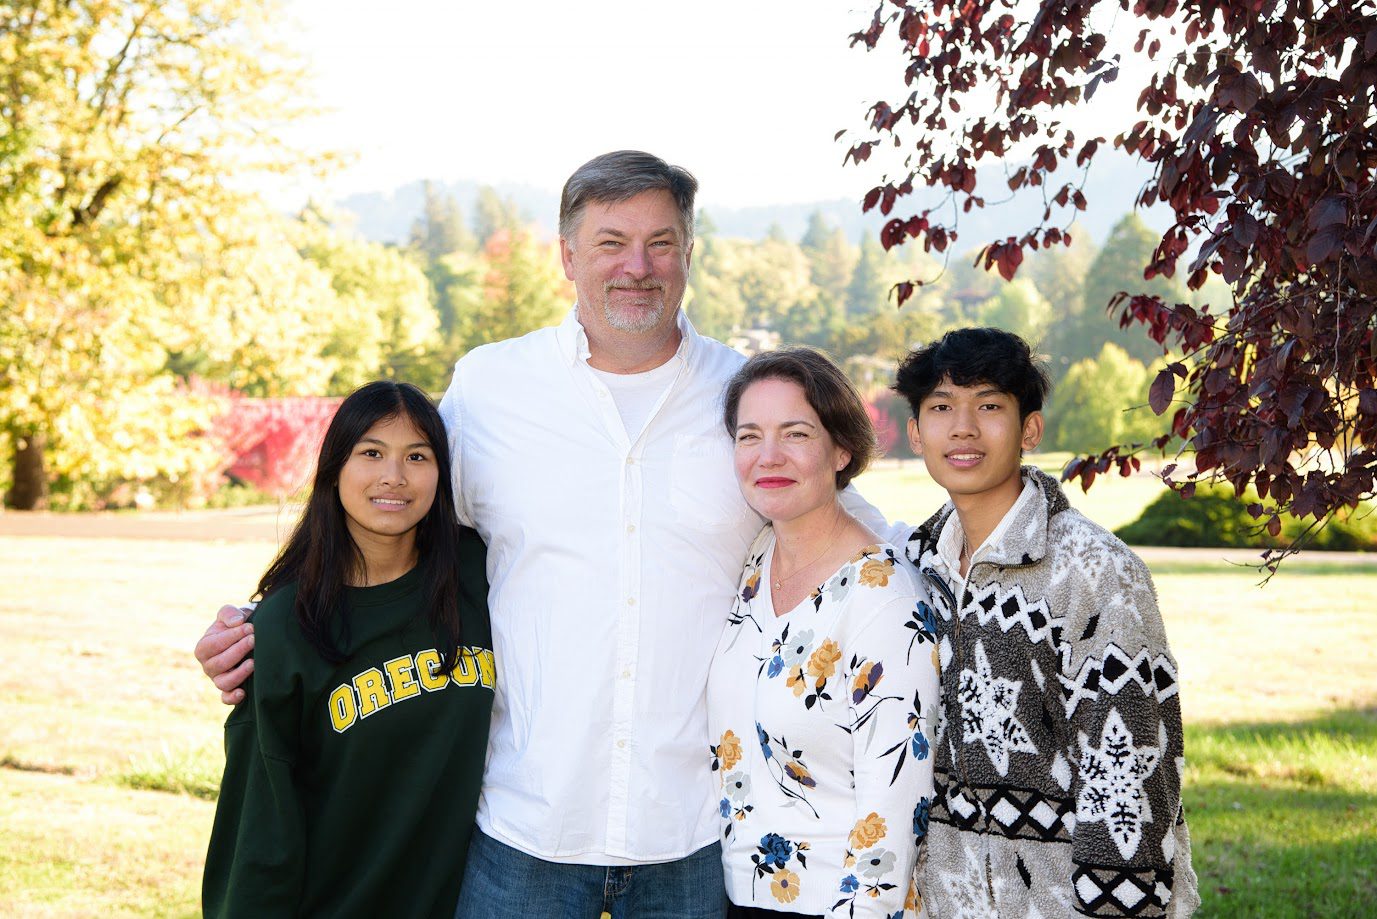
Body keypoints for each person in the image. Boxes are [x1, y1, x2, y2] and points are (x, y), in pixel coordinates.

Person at [196, 151, 887, 918]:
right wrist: (273, 620)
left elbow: (840, 528)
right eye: (609, 242)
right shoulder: (493, 388)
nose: (637, 266)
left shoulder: (740, 397)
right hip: (522, 832)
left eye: (661, 242)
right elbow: (389, 520)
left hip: (688, 835)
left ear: (689, 254)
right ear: (566, 255)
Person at [892, 328, 1200, 918]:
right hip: (945, 901)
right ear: (915, 433)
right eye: (940, 408)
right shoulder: (913, 565)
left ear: (1029, 428)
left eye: (988, 406)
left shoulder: (1095, 572)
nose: (963, 428)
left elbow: (1129, 773)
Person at [202, 381, 493, 918]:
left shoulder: (480, 577)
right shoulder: (288, 628)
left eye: (417, 456)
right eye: (372, 453)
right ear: (335, 466)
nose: (394, 477)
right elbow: (259, 824)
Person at [708, 349, 939, 918]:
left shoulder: (885, 598)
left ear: (842, 450)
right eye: (749, 435)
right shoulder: (756, 561)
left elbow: (895, 810)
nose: (769, 457)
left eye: (796, 433)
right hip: (740, 897)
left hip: (840, 903)